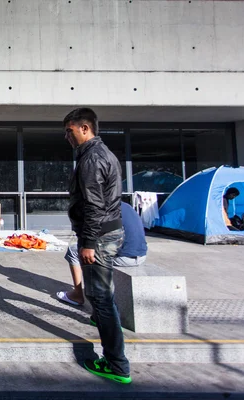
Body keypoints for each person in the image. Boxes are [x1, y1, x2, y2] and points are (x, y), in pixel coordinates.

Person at [64, 107, 131, 384]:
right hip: (109, 231)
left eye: (69, 131)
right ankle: (104, 323)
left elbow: (94, 205)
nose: (66, 137)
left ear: (84, 128)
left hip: (99, 237)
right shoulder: (105, 154)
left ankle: (117, 364)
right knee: (104, 297)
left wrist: (88, 243)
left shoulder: (91, 159)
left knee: (101, 300)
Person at [56, 202, 147, 309]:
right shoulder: (124, 206)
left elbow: (98, 237)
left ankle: (77, 294)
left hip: (124, 257)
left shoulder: (103, 210)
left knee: (74, 251)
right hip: (141, 255)